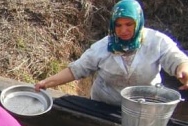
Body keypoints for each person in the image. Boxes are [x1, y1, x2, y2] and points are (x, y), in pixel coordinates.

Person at [34, 0, 188, 106]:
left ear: (139, 22)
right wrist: (46, 83)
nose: (123, 30)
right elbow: (76, 70)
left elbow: (176, 58)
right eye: (118, 25)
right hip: (104, 106)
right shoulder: (102, 48)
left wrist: (183, 69)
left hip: (143, 108)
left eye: (129, 24)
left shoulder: (156, 41)